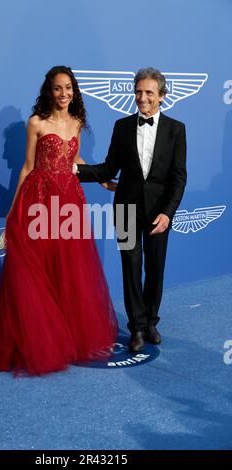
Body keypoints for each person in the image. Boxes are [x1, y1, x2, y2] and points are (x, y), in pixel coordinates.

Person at [0, 66, 118, 375]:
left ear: (75, 92)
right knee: (38, 267)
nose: (64, 94)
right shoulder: (36, 123)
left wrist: (101, 179)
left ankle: (68, 336)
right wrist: (13, 206)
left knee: (69, 267)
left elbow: (76, 161)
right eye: (58, 88)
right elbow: (27, 166)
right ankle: (40, 341)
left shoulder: (77, 123)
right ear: (49, 91)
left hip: (70, 201)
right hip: (39, 200)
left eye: (69, 88)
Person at [76, 67, 187, 352]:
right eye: (138, 91)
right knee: (130, 266)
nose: (142, 97)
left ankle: (151, 321)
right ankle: (136, 327)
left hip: (160, 211)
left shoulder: (176, 129)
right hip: (125, 208)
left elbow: (178, 177)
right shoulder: (122, 126)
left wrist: (168, 213)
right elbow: (109, 168)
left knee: (155, 268)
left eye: (149, 92)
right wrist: (73, 170)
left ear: (161, 96)